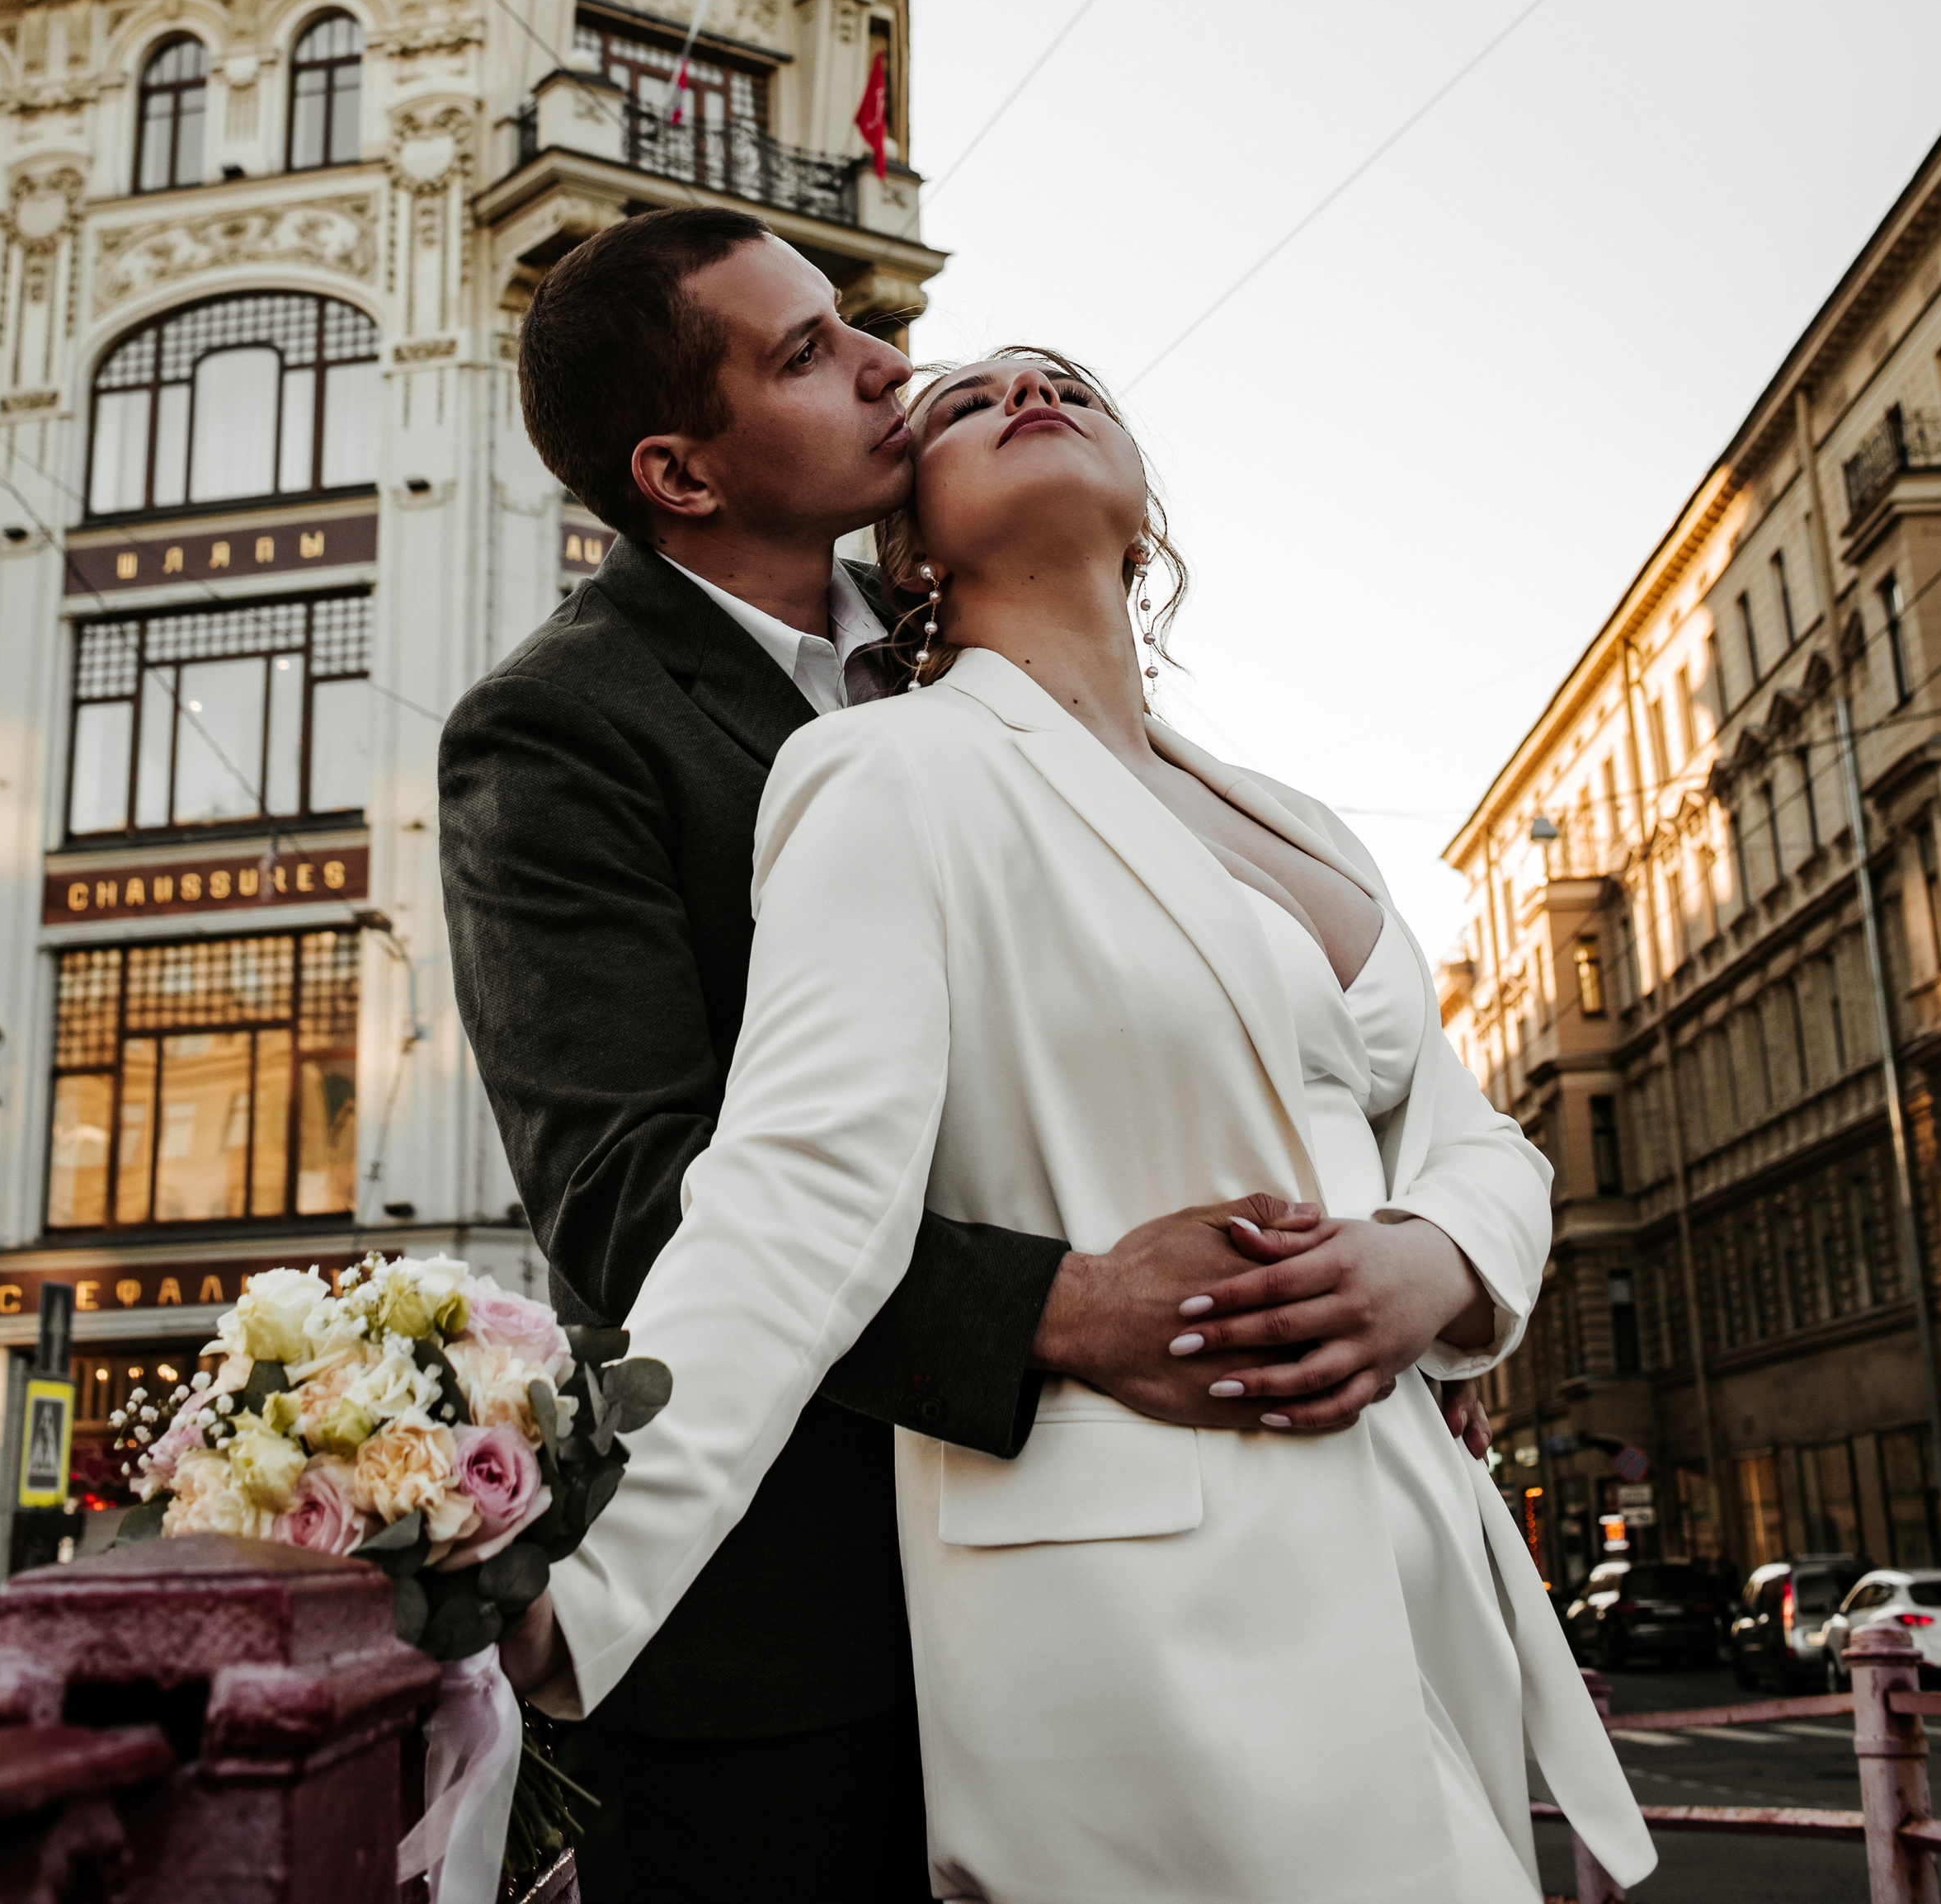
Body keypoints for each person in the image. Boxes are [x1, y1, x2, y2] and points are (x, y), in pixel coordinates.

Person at [506, 344, 1657, 1902]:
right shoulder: (884, 770)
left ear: (1146, 514)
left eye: (1068, 381)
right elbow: (793, 1193)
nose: (1026, 391)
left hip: (1402, 1531)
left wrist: (1438, 1264)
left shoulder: (1299, 816)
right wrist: (578, 1568)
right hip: (1133, 1586)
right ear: (910, 551)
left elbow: (1475, 1135)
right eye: (967, 402)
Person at [440, 219, 1392, 1904]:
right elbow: (629, 1195)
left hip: (1132, 1556)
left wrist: (1397, 1264)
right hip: (801, 1625)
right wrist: (1071, 1308)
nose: (890, 362)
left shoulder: (984, 617)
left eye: (856, 323)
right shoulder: (560, 726)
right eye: (808, 351)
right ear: (678, 471)